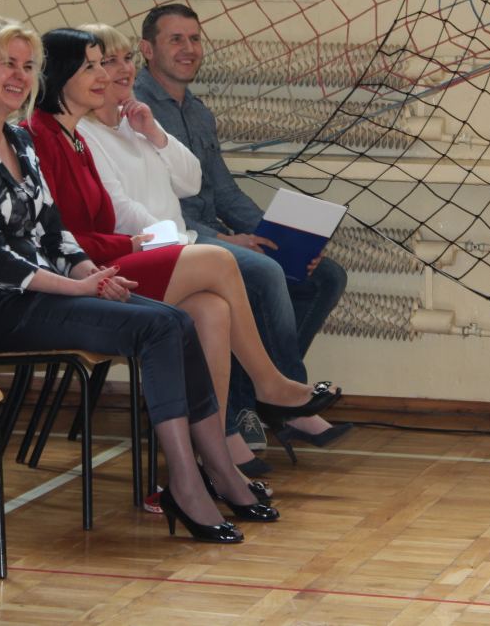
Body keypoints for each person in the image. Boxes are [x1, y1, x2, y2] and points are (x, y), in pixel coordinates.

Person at [0, 18, 288, 542]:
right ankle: (187, 483)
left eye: (27, 66)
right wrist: (74, 286)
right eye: (7, 64)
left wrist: (89, 273)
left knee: (178, 323)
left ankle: (217, 469)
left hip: (49, 291)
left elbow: (55, 233)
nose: (20, 76)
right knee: (160, 328)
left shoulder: (18, 143)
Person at [28, 28, 341, 485]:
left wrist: (153, 137)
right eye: (93, 66)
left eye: (112, 62)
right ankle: (269, 384)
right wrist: (147, 244)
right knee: (221, 262)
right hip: (87, 274)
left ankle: (216, 453)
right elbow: (69, 235)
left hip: (126, 253)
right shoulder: (46, 136)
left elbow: (190, 183)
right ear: (59, 74)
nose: (109, 74)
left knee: (212, 310)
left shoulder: (75, 135)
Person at [133, 4, 351, 458]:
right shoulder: (132, 110)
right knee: (262, 273)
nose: (189, 49)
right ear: (147, 49)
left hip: (213, 236)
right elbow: (147, 208)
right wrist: (227, 241)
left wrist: (280, 238)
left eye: (195, 39)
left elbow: (225, 192)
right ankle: (273, 403)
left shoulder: (198, 113)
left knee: (324, 276)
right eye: (176, 39)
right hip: (176, 241)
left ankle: (263, 394)